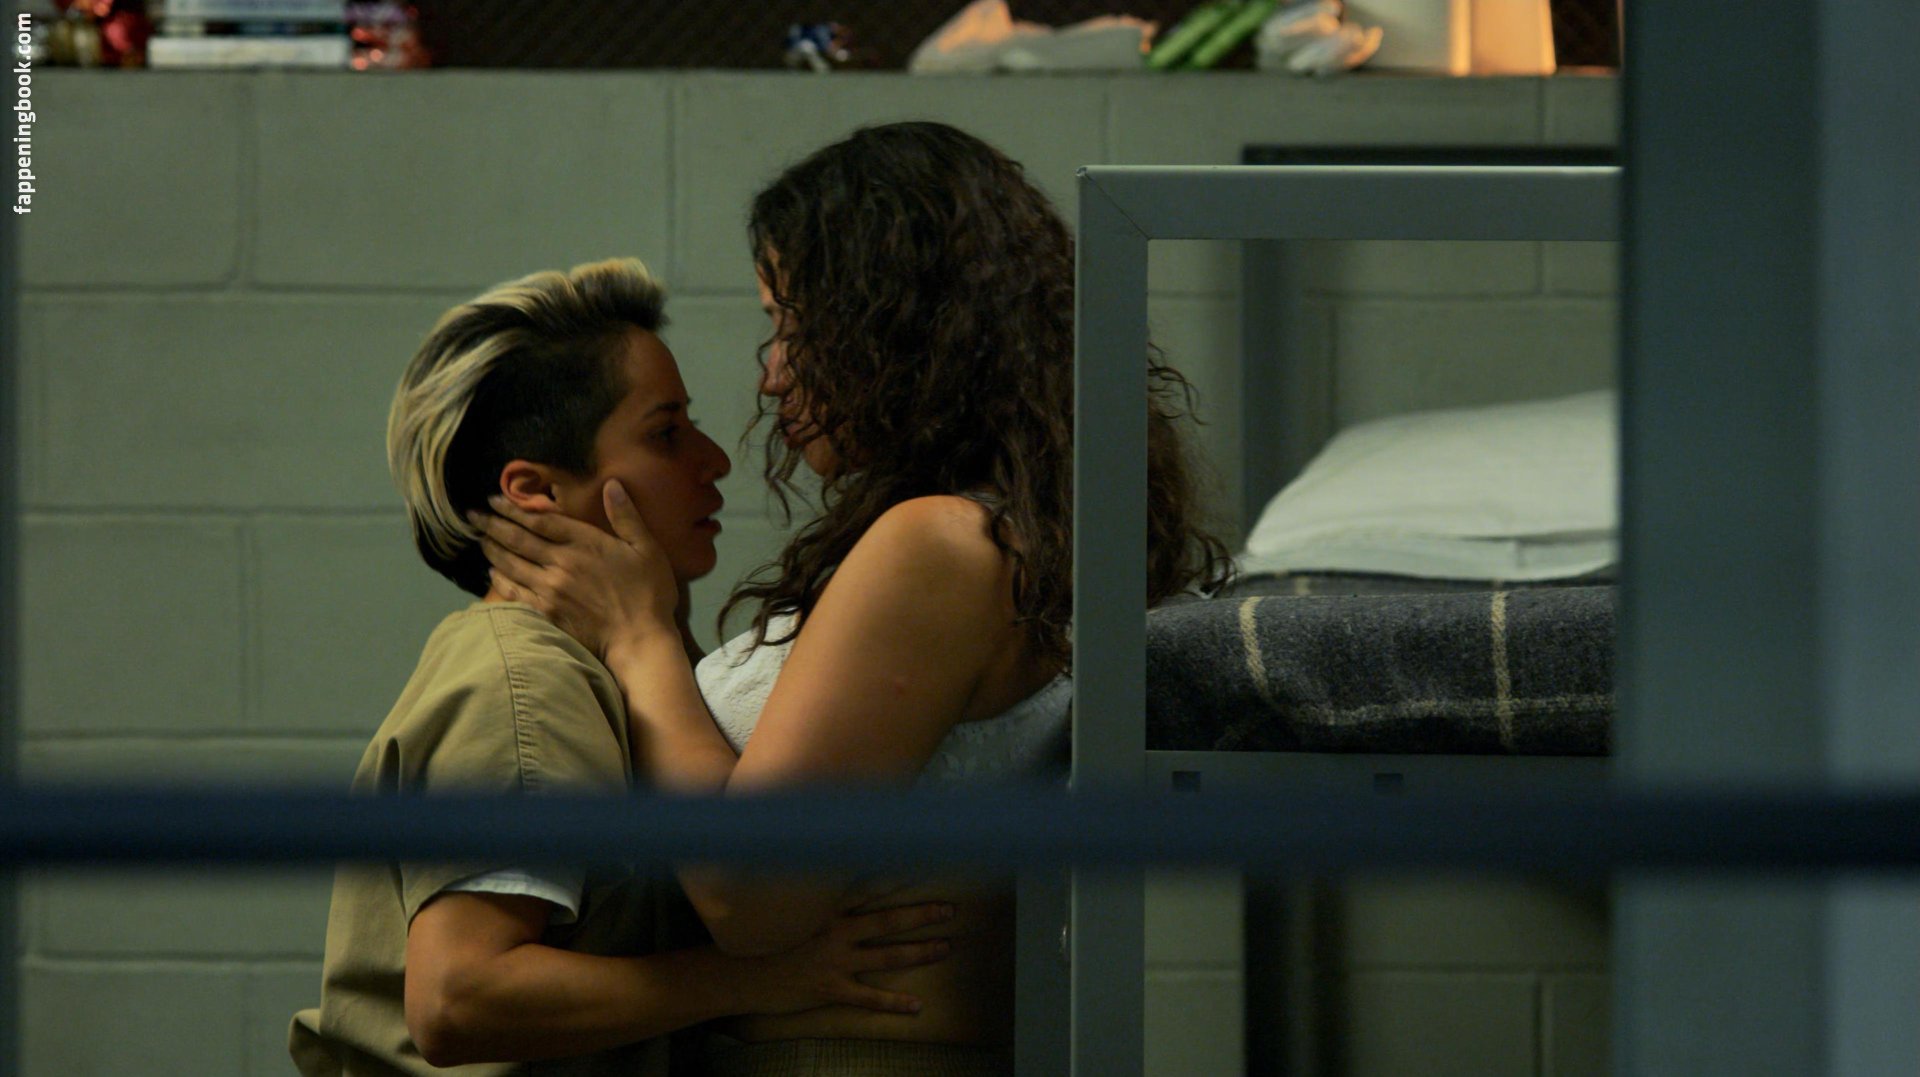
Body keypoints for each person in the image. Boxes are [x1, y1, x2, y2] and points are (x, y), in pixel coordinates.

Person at [474, 123, 1230, 1076]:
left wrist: (639, 639)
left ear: (889, 323)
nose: (771, 373)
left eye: (788, 324)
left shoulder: (943, 545)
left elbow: (750, 892)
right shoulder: (1008, 529)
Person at [288, 257, 955, 1077]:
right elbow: (459, 995)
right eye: (666, 434)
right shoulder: (525, 679)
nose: (715, 460)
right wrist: (754, 979)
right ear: (534, 491)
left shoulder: (604, 668)